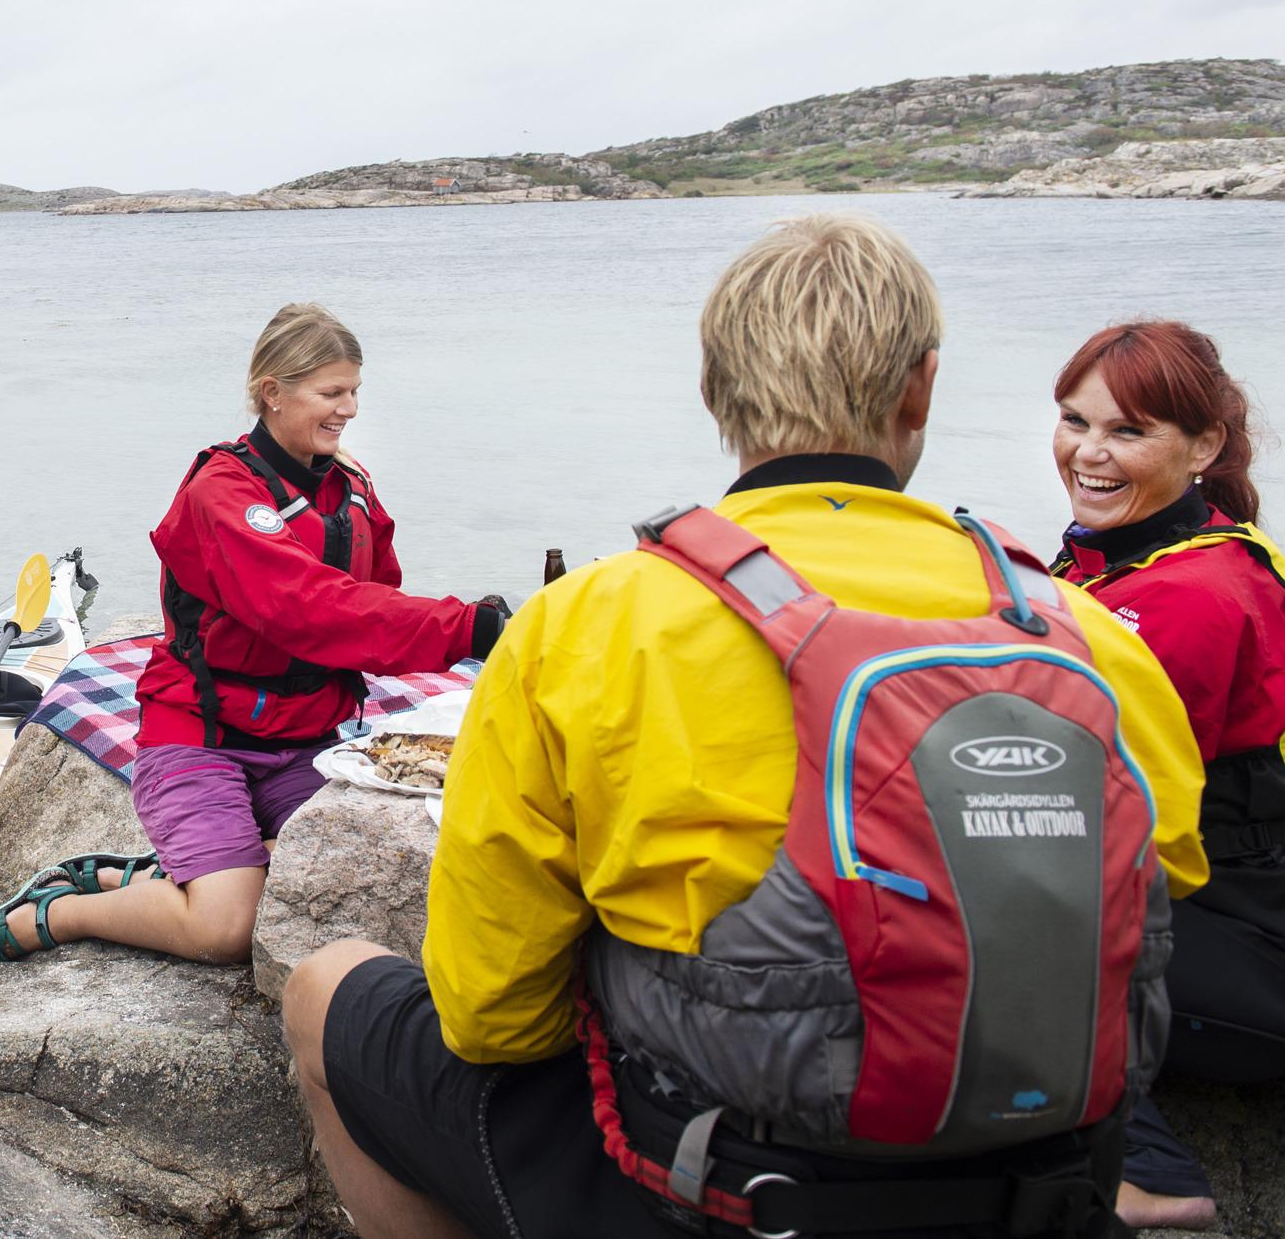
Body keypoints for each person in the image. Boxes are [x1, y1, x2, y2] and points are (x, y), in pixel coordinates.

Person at [284, 217, 1211, 1239]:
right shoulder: (1076, 629)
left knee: (326, 989)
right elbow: (1157, 896)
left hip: (717, 1190)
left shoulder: (591, 620)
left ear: (713, 391)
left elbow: (491, 1012)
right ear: (920, 387)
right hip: (1039, 1185)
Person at [0, 302, 507, 967]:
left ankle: (153, 876)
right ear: (272, 393)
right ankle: (63, 911)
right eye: (332, 392)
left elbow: (376, 600)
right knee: (225, 926)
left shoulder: (353, 487)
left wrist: (470, 631)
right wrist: (467, 627)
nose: (351, 408)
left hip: (307, 738)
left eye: (356, 390)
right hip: (202, 738)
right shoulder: (221, 491)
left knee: (378, 858)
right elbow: (306, 609)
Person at [1049, 321, 1285, 1232]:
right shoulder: (1156, 552)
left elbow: (1105, 822)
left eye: (1128, 431)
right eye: (1075, 419)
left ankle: (1142, 1166)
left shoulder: (1189, 598)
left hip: (1246, 945)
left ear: (1206, 446)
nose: (1088, 452)